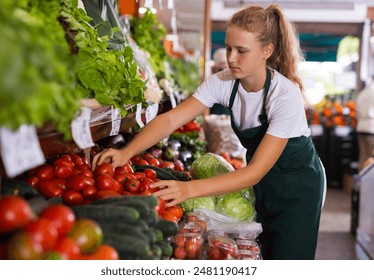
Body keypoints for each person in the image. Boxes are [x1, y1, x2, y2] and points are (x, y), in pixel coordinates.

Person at [92, 3, 325, 260]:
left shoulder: (284, 95)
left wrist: (188, 190)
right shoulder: (224, 82)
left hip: (298, 189)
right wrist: (127, 152)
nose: (231, 58)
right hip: (263, 182)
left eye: (242, 51)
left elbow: (254, 172)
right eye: (228, 48)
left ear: (266, 51)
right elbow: (171, 120)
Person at [356, 79, 374, 170]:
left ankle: (360, 182)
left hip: (361, 127)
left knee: (363, 157)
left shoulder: (363, 93)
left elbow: (356, 110)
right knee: (371, 158)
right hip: (371, 128)